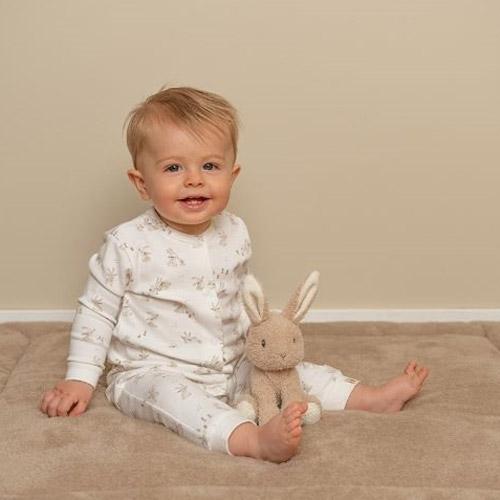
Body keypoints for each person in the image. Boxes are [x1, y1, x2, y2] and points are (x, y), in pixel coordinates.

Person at [39, 86, 429, 463]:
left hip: (233, 360)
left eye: (210, 166)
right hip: (152, 369)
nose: (194, 179)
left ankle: (369, 398)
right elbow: (96, 311)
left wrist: (262, 340)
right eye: (173, 168)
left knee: (288, 371)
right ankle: (250, 439)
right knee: (177, 399)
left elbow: (240, 295)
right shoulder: (127, 243)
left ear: (232, 174)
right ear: (142, 184)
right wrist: (80, 378)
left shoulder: (234, 231)